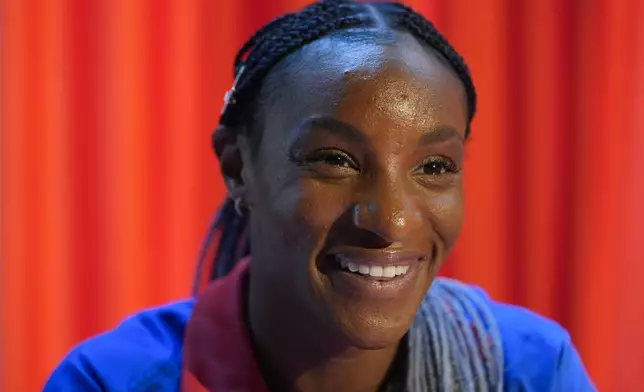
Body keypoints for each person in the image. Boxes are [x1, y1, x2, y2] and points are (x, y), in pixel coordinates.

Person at [44, 1, 596, 391]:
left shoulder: (527, 370)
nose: (392, 221)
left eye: (433, 166)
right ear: (238, 168)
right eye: (334, 160)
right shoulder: (110, 381)